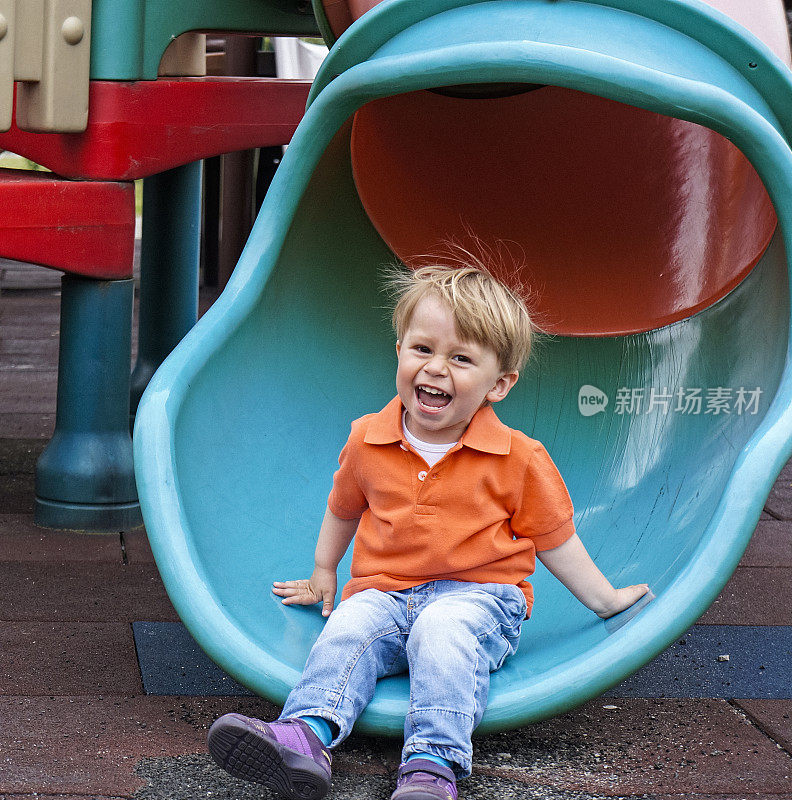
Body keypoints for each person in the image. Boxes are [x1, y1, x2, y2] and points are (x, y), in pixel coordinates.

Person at [207, 260, 649, 800]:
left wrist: (605, 600)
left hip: (481, 599)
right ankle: (305, 735)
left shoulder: (518, 458)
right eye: (422, 350)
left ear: (499, 384)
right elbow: (344, 507)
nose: (435, 369)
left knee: (442, 632)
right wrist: (324, 570)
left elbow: (555, 538)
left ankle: (431, 765)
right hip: (386, 592)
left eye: (461, 359)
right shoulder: (368, 438)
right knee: (349, 627)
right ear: (399, 351)